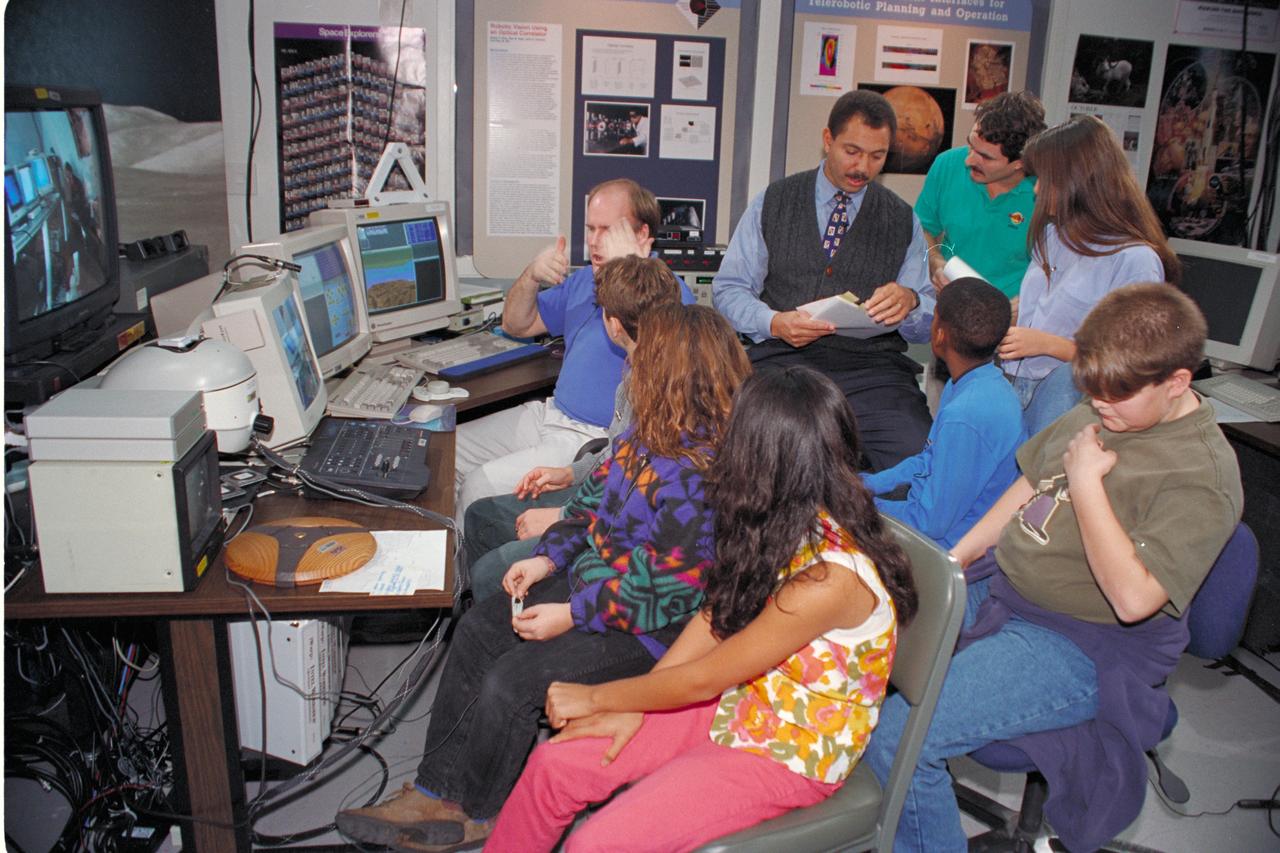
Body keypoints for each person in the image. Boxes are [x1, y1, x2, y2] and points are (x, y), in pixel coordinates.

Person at [336, 304, 751, 851]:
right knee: (479, 630)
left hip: (651, 630)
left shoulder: (702, 478)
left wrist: (570, 615)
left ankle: (479, 812)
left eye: (640, 363)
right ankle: (438, 789)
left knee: (513, 682)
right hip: (598, 589)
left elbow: (661, 595)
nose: (630, 372)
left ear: (672, 377)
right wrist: (546, 561)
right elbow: (583, 508)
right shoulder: (643, 439)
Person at [864, 284, 1242, 853]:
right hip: (1005, 590)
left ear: (1177, 383)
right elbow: (1029, 481)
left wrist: (1087, 483)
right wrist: (959, 556)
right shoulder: (1106, 408)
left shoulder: (1199, 475)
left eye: (1115, 397)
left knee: (898, 739)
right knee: (856, 661)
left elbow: (1134, 600)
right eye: (1092, 392)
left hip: (1084, 642)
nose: (1100, 407)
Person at [486, 365, 918, 852]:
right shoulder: (776, 516)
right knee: (554, 767)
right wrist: (637, 704)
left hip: (790, 751)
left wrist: (600, 699)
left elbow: (706, 678)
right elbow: (715, 616)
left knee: (597, 844)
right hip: (740, 703)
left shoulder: (829, 580)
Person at [713, 89, 934, 471]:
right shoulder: (775, 201)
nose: (863, 167)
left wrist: (912, 301)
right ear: (827, 139)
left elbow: (926, 322)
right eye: (852, 150)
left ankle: (865, 528)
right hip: (781, 362)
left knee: (915, 458)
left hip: (873, 372)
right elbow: (729, 289)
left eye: (877, 156)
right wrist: (773, 322)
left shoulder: (902, 219)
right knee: (754, 459)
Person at [455, 178, 693, 525]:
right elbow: (516, 325)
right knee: (450, 448)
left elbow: (663, 370)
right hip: (551, 414)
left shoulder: (670, 295)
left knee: (480, 486)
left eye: (606, 230)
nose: (594, 241)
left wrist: (627, 273)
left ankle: (458, 579)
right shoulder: (585, 280)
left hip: (591, 439)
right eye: (590, 229)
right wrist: (532, 275)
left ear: (642, 236)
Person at [463, 255, 683, 600]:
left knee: (490, 571)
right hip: (605, 495)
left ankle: (496, 629)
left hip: (622, 519)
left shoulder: (660, 391)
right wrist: (570, 473)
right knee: (480, 517)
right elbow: (615, 456)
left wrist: (562, 515)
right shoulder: (636, 373)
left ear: (612, 324)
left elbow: (635, 497)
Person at [998, 115, 1180, 436]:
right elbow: (1040, 306)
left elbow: (1131, 363)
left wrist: (1049, 345)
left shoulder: (1134, 260)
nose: (1037, 190)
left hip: (1071, 400)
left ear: (1080, 180)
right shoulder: (1054, 236)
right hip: (1017, 385)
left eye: (1046, 179)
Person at [862, 278, 1024, 549]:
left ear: (939, 335)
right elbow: (929, 460)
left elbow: (929, 523)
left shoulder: (967, 414)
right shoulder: (971, 382)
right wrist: (869, 484)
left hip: (948, 554)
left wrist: (863, 505)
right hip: (933, 525)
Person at [916, 90, 1045, 299]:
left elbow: (1058, 269)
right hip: (950, 304)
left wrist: (1025, 302)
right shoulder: (947, 164)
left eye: (985, 156)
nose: (969, 161)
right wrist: (936, 261)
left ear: (1020, 162)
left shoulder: (1046, 192)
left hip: (1012, 315)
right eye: (970, 145)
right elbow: (922, 229)